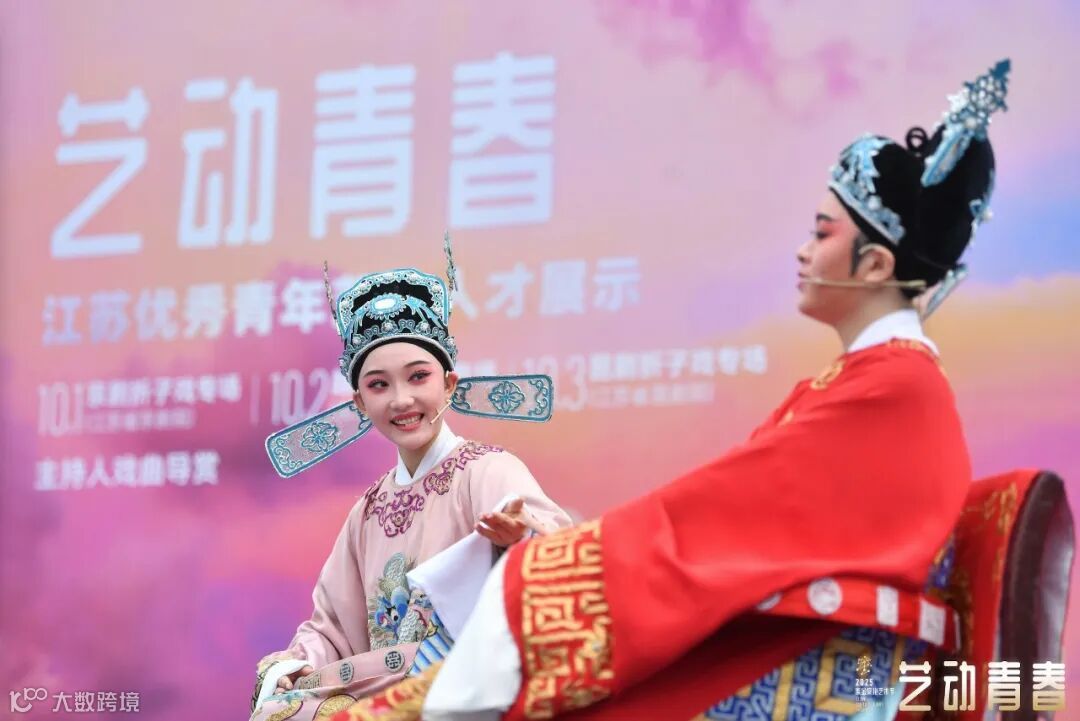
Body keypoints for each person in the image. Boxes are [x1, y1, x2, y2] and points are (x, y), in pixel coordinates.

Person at [330, 59, 1012, 721]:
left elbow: (719, 520)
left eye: (821, 232)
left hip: (819, 661)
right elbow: (723, 517)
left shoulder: (892, 391)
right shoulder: (869, 384)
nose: (804, 252)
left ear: (876, 264)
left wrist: (552, 562)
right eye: (378, 384)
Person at [250, 242, 572, 721]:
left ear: (449, 384)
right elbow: (332, 627)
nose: (401, 400)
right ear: (360, 403)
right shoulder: (368, 510)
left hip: (466, 691)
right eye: (379, 385)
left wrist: (520, 542)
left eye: (418, 377)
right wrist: (294, 667)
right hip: (386, 701)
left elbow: (564, 559)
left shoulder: (487, 470)